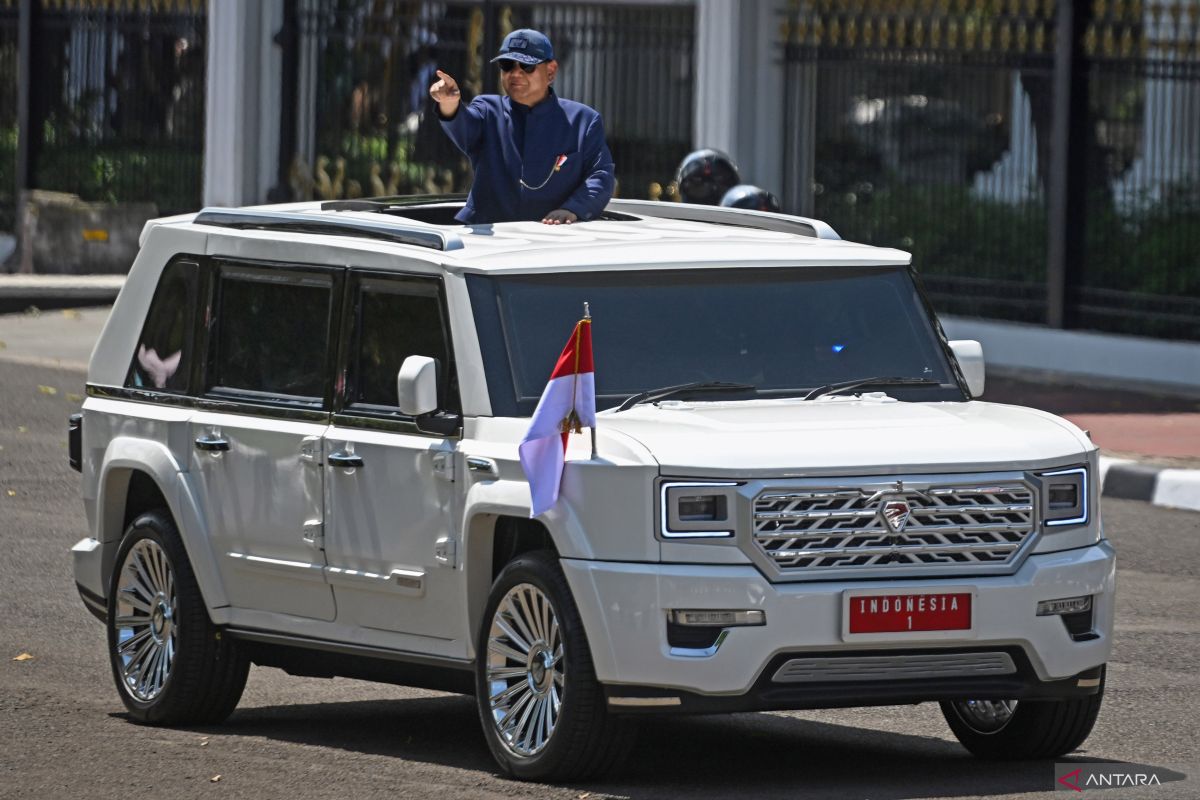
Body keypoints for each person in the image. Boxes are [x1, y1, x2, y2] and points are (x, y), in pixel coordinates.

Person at [429, 29, 615, 225]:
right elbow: (463, 127)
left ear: (550, 71)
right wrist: (449, 103)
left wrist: (572, 209)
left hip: (554, 239)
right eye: (507, 65)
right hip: (484, 238)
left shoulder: (583, 120)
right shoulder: (488, 110)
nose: (515, 73)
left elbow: (600, 176)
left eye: (527, 66)